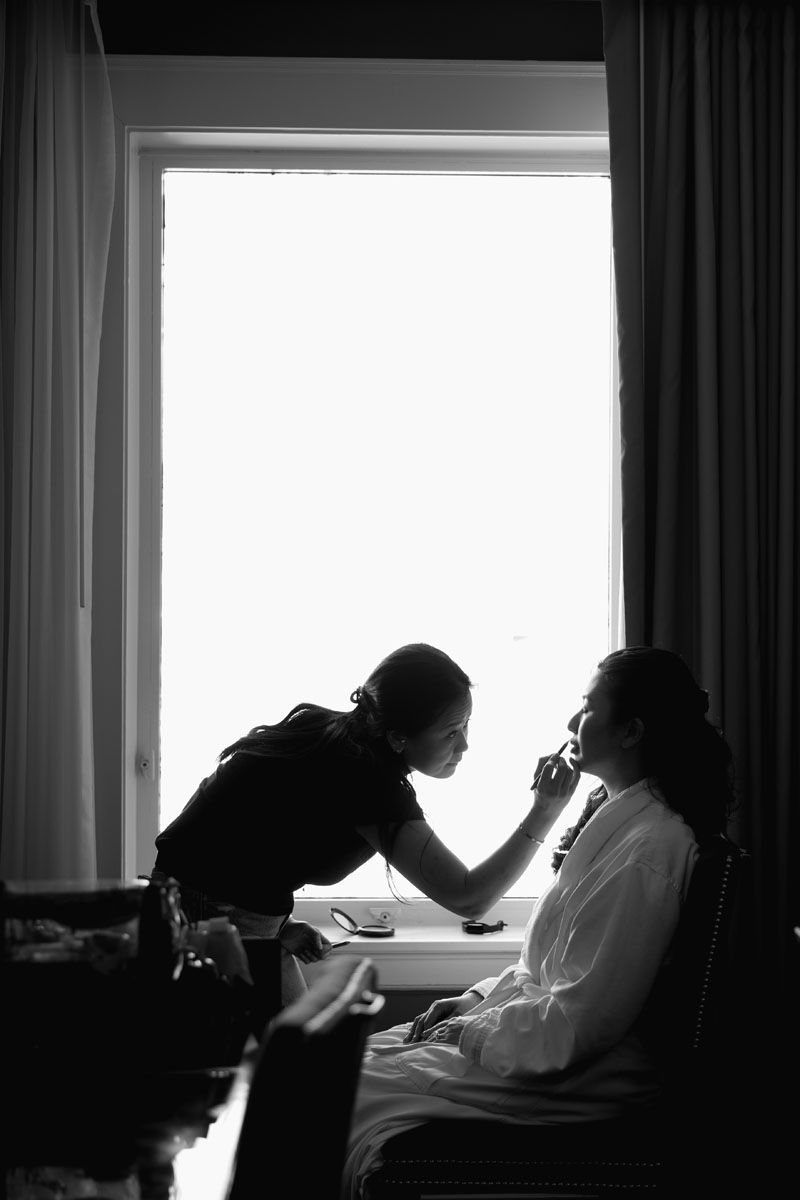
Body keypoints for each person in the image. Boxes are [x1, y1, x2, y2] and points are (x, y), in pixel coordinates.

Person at [341, 646, 736, 1199]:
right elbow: (543, 971)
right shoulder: (619, 824)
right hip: (548, 1047)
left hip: (585, 1076)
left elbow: (580, 1022)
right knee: (355, 1062)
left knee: (332, 1095)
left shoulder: (650, 850)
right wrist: (475, 1003)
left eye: (588, 708)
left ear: (631, 732)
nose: (572, 723)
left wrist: (473, 1033)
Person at [152, 643, 580, 1004]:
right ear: (397, 737)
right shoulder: (365, 777)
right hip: (206, 921)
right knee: (286, 1074)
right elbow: (470, 900)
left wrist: (275, 925)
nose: (465, 744)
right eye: (451, 733)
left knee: (295, 1066)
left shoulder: (329, 735)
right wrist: (545, 810)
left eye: (467, 725)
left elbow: (248, 839)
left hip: (198, 909)